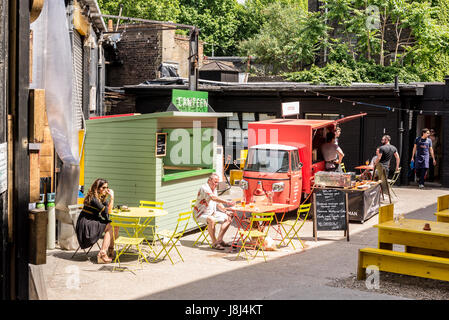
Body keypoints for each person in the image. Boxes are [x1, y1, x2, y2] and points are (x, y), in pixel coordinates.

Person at [76, 178, 119, 264]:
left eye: (106, 187)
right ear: (97, 188)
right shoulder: (93, 198)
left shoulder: (101, 198)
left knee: (116, 226)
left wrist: (108, 202)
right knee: (110, 226)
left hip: (93, 220)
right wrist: (112, 198)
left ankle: (110, 250)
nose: (105, 189)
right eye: (103, 187)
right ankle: (102, 253)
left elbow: (106, 212)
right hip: (86, 224)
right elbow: (108, 211)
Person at [193, 174, 235, 250]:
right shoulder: (204, 188)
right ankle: (214, 243)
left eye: (217, 182)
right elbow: (213, 198)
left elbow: (218, 203)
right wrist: (227, 202)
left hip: (212, 213)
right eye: (215, 182)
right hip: (200, 214)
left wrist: (226, 211)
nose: (216, 184)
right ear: (209, 181)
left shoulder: (214, 189)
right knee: (211, 219)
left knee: (229, 217)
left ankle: (219, 240)